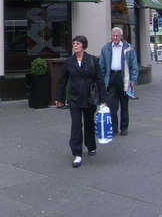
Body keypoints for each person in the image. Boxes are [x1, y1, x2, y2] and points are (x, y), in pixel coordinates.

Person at [55, 35, 107, 168]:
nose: (75, 45)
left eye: (77, 43)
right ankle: (77, 153)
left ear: (83, 45)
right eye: (74, 43)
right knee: (76, 125)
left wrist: (103, 99)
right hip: (74, 98)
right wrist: (59, 98)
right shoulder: (69, 61)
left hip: (90, 97)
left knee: (89, 123)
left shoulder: (92, 60)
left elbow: (100, 79)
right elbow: (63, 80)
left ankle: (91, 146)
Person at [99, 27, 138, 136]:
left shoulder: (129, 48)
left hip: (124, 77)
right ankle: (114, 127)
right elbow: (101, 66)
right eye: (113, 35)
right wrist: (101, 80)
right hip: (111, 77)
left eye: (117, 36)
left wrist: (133, 80)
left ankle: (124, 127)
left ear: (121, 36)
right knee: (112, 105)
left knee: (124, 105)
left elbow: (133, 65)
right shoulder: (105, 48)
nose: (115, 38)